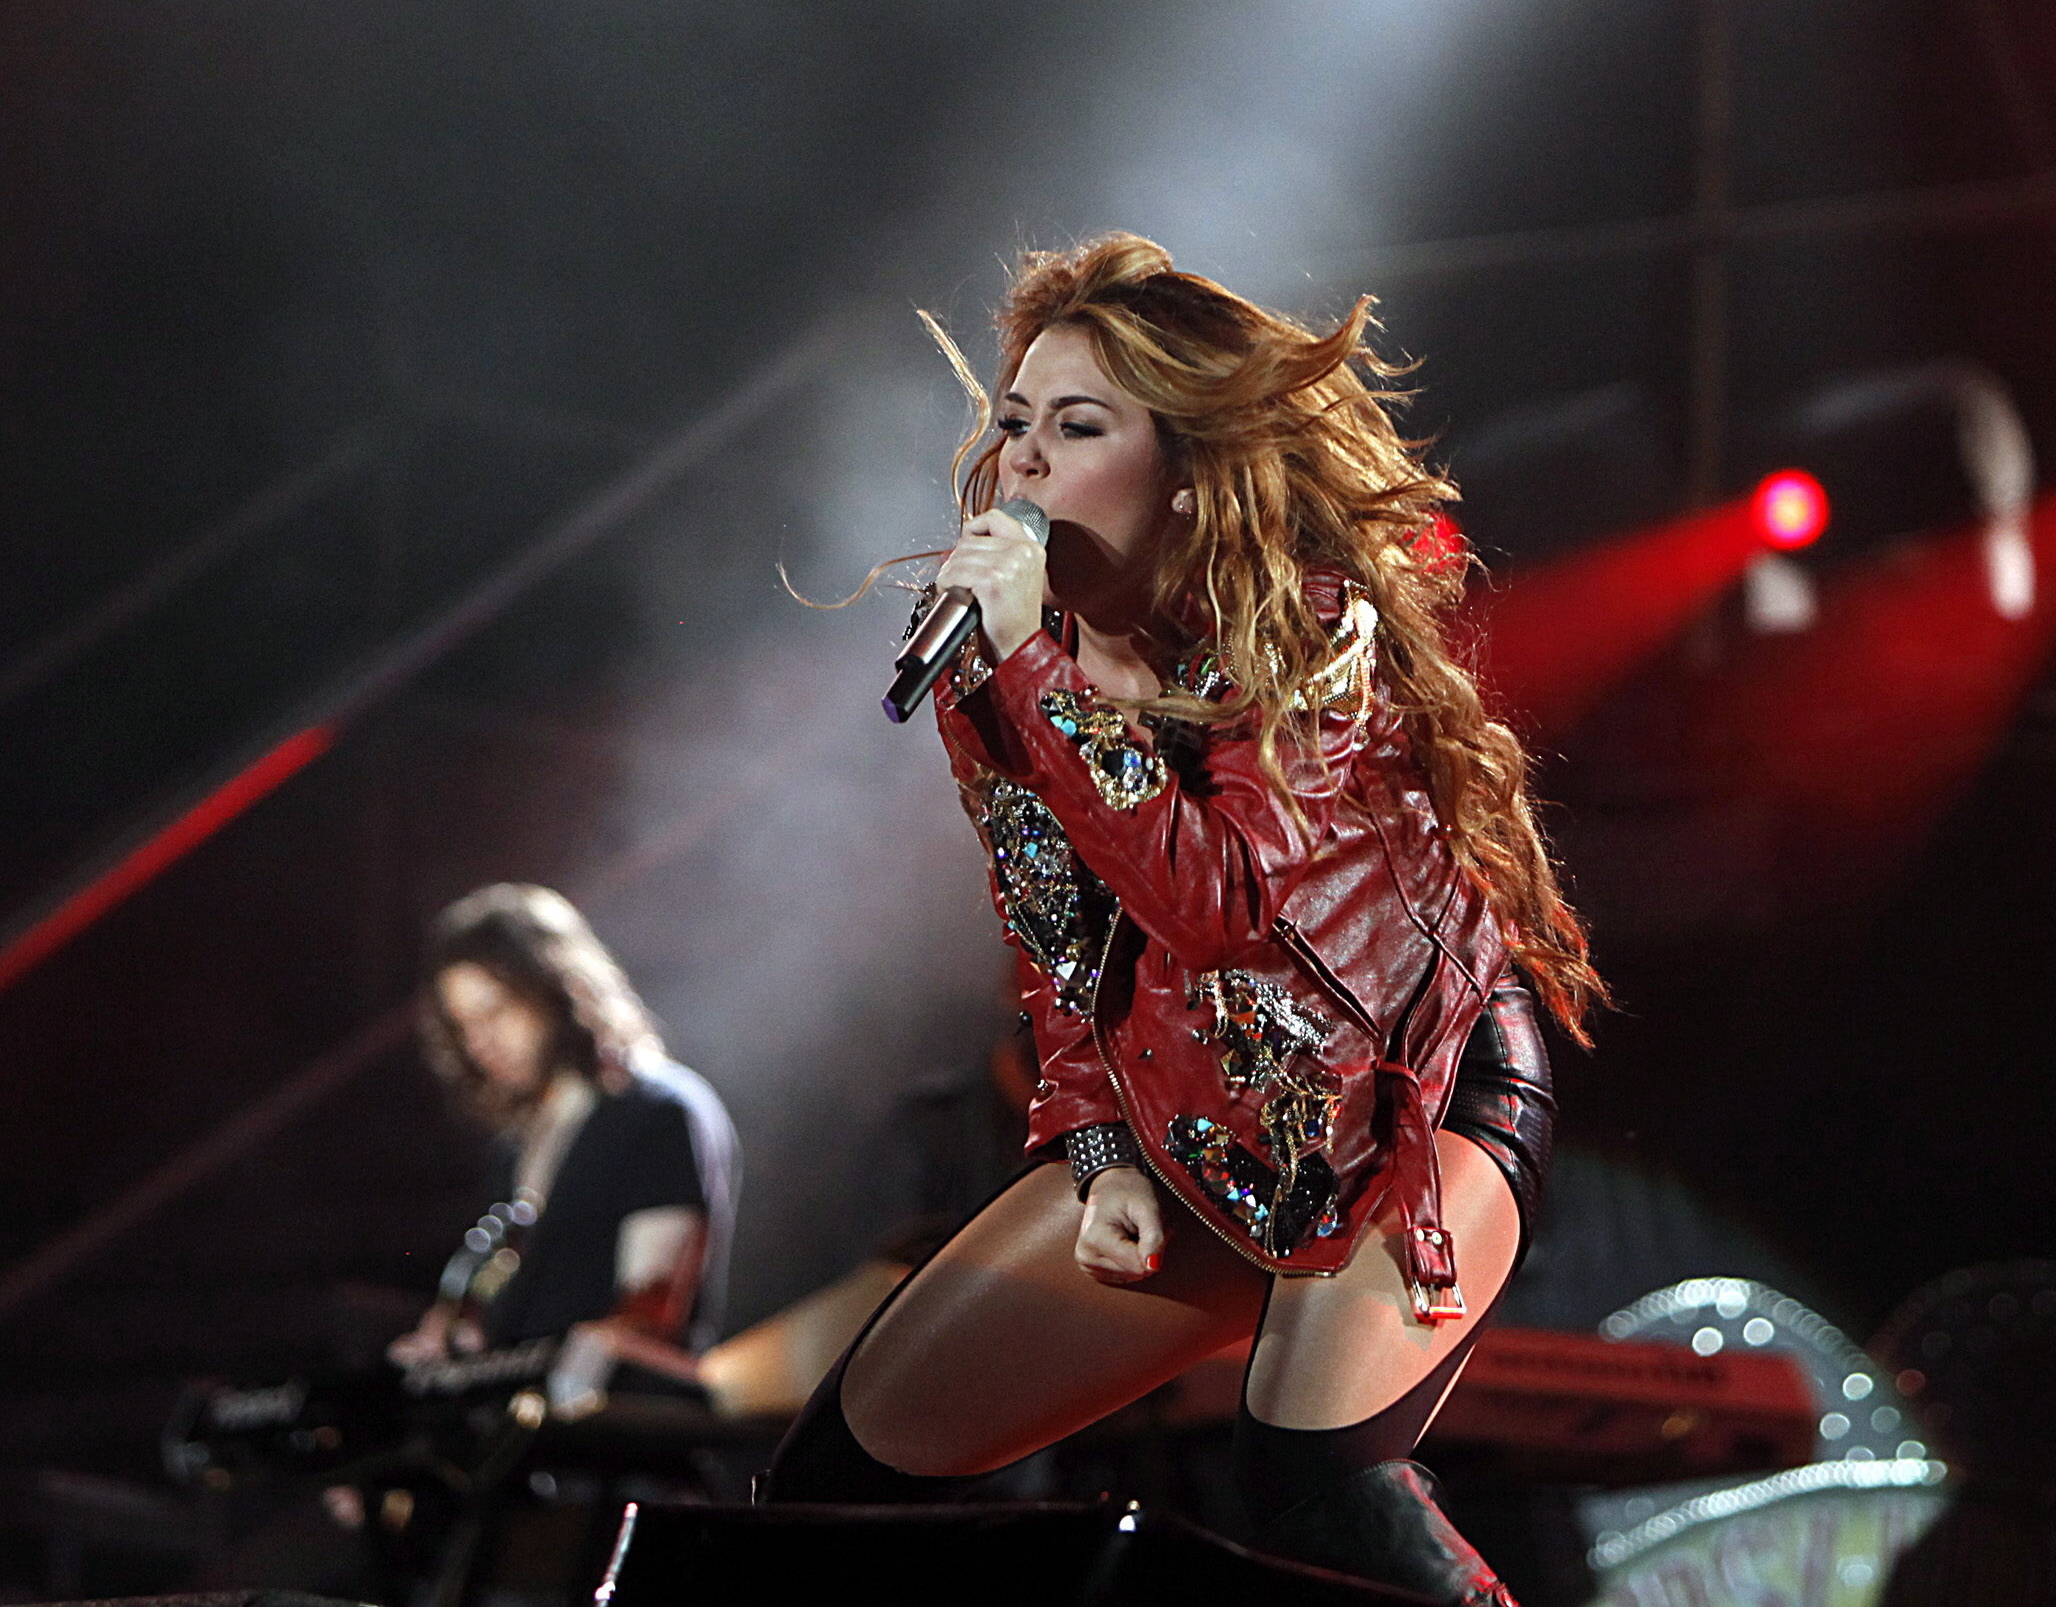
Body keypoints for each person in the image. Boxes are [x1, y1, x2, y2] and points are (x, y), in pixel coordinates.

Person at [765, 235, 1594, 1607]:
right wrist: (1097, 1157)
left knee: (1314, 1486)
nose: (1024, 461)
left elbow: (1218, 904)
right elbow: (1058, 940)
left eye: (1078, 426)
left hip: (1408, 1100)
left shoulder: (1309, 628)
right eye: (1015, 422)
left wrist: (1035, 672)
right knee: (833, 1494)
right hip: (1196, 1112)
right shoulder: (1000, 670)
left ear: (1188, 471)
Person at [395, 881, 739, 1385]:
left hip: (623, 1420)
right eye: (464, 1026)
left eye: (495, 1011)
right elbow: (506, 1305)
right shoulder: (517, 1147)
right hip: (528, 1419)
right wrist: (456, 1336)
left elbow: (648, 1319)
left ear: (557, 986)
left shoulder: (657, 1112)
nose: (479, 1043)